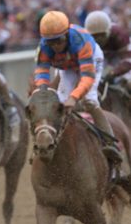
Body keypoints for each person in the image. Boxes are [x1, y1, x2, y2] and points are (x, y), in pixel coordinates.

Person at [35, 10, 122, 163]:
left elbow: (87, 78)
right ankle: (53, 143)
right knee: (59, 102)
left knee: (89, 100)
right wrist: (43, 89)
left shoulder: (80, 41)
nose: (55, 46)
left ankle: (110, 143)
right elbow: (42, 71)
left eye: (59, 40)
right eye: (51, 42)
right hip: (67, 67)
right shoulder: (44, 46)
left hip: (91, 60)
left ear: (67, 34)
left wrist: (74, 98)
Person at [84, 10, 131, 89]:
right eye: (95, 36)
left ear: (109, 31)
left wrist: (114, 73)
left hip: (118, 57)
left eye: (102, 35)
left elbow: (128, 60)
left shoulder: (119, 35)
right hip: (102, 60)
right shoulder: (84, 40)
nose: (99, 39)